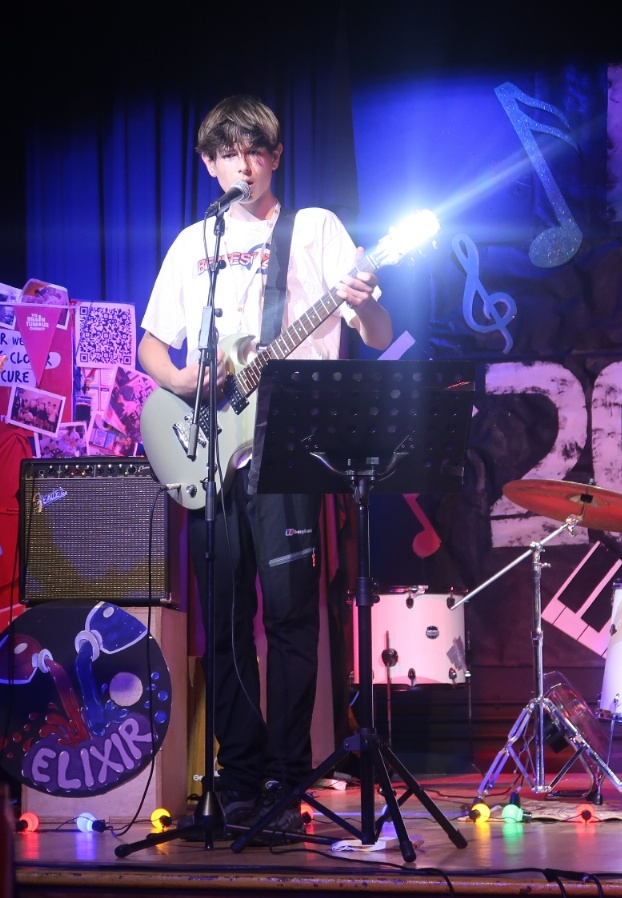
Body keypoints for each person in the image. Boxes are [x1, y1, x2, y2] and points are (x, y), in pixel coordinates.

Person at [137, 95, 393, 833]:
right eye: (227, 154)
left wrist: (366, 300)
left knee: (287, 618)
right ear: (208, 164)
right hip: (210, 449)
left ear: (275, 157)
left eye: (254, 151)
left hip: (290, 448)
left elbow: (376, 333)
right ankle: (237, 779)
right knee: (222, 623)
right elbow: (152, 346)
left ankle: (287, 777)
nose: (242, 165)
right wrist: (182, 377)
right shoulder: (195, 243)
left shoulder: (314, 229)